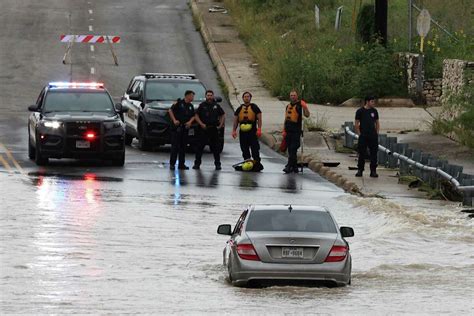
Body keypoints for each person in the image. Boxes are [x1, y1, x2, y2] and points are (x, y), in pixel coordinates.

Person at [193, 90, 225, 170]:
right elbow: (196, 115)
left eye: (211, 95)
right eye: (208, 95)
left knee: (216, 148)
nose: (209, 97)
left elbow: (223, 114)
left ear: (213, 96)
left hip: (213, 129)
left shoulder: (216, 106)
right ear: (205, 96)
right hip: (204, 129)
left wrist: (220, 125)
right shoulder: (202, 105)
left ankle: (218, 164)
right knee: (200, 147)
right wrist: (201, 124)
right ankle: (197, 164)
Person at [232, 92, 263, 169]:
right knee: (244, 148)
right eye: (245, 96)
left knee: (255, 148)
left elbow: (259, 118)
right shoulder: (239, 109)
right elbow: (236, 120)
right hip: (243, 132)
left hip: (252, 131)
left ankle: (257, 163)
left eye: (248, 96)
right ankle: (247, 161)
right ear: (243, 98)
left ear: (250, 98)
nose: (246, 98)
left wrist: (259, 129)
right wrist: (234, 130)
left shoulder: (254, 107)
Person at [282, 90, 310, 174]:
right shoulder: (288, 106)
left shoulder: (300, 105)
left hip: (296, 131)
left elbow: (307, 115)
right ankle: (294, 167)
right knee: (290, 151)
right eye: (291, 95)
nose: (292, 97)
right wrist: (283, 130)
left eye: (294, 95)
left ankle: (288, 166)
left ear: (297, 96)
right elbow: (286, 119)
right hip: (288, 131)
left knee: (293, 148)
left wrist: (305, 107)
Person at [168, 90, 195, 170]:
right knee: (175, 147)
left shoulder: (190, 106)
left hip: (185, 128)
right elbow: (170, 110)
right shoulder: (179, 102)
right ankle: (172, 164)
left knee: (183, 147)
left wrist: (190, 122)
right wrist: (174, 120)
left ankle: (181, 164)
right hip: (177, 128)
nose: (193, 98)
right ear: (187, 96)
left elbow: (193, 115)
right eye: (192, 96)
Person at [354, 96, 380, 178]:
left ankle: (373, 171)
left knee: (374, 153)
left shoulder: (374, 111)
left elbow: (377, 123)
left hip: (372, 135)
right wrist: (359, 134)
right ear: (367, 102)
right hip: (363, 135)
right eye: (372, 101)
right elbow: (356, 123)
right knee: (362, 153)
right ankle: (360, 170)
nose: (373, 103)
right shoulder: (360, 111)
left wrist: (377, 133)